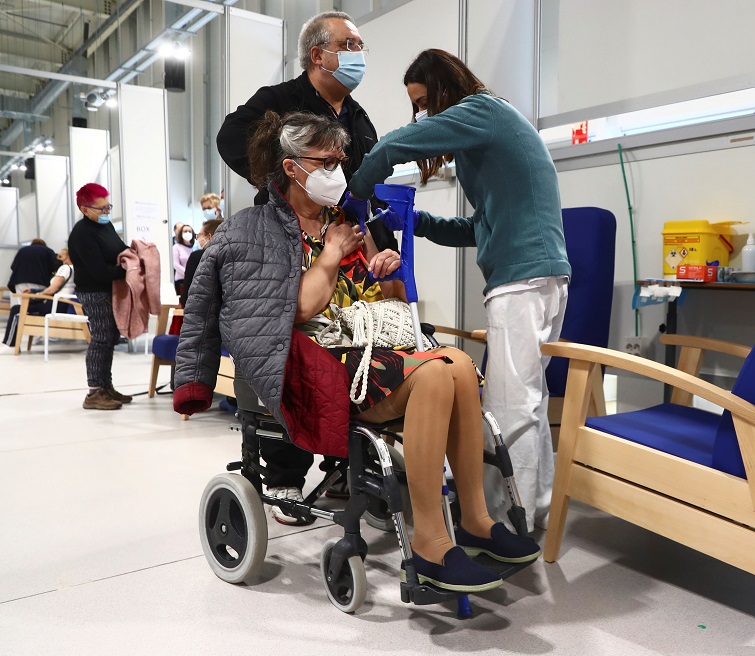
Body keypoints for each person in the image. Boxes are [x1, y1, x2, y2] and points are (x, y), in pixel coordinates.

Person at [175, 111, 538, 592]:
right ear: (291, 168)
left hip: (365, 348)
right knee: (433, 375)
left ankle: (474, 518)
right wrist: (329, 256)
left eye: (341, 160)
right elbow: (297, 308)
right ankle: (430, 542)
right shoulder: (250, 231)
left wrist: (384, 272)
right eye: (326, 161)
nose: (338, 172)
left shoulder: (347, 222)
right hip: (303, 361)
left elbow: (382, 306)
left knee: (461, 365)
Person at [348, 49, 571, 532]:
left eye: (427, 101)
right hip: (542, 277)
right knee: (530, 402)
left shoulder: (483, 111)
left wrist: (360, 187)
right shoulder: (492, 128)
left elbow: (397, 145)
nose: (426, 114)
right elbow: (480, 227)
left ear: (447, 87)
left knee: (510, 408)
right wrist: (420, 222)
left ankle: (501, 523)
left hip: (521, 281)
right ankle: (533, 515)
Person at [215, 10, 396, 253]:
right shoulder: (279, 99)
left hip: (358, 247)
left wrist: (388, 246)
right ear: (318, 55)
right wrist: (280, 182)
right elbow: (230, 137)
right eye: (348, 45)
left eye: (360, 46)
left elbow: (374, 190)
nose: (358, 53)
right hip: (293, 244)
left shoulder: (360, 118)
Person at [67, 183, 132, 411]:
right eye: (101, 209)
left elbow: (120, 249)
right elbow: (99, 271)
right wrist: (128, 271)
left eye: (108, 207)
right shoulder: (82, 234)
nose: (106, 213)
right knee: (102, 339)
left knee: (110, 338)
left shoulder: (105, 227)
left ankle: (106, 386)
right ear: (85, 209)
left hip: (110, 289)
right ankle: (94, 392)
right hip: (94, 291)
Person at [3, 248, 76, 347]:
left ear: (68, 257)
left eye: (60, 256)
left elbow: (52, 289)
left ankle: (11, 343)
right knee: (24, 308)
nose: (57, 259)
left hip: (53, 306)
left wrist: (37, 295)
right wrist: (34, 291)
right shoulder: (75, 269)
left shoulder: (65, 268)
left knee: (16, 310)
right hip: (61, 305)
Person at [179, 219, 222, 308]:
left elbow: (187, 291)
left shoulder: (197, 257)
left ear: (209, 237)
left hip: (202, 311)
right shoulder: (234, 256)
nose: (198, 238)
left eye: (200, 235)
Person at [172, 224, 195, 296]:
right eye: (185, 231)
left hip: (192, 280)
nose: (187, 233)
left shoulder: (193, 248)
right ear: (181, 234)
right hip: (181, 280)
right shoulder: (176, 247)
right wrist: (187, 273)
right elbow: (175, 264)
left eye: (189, 231)